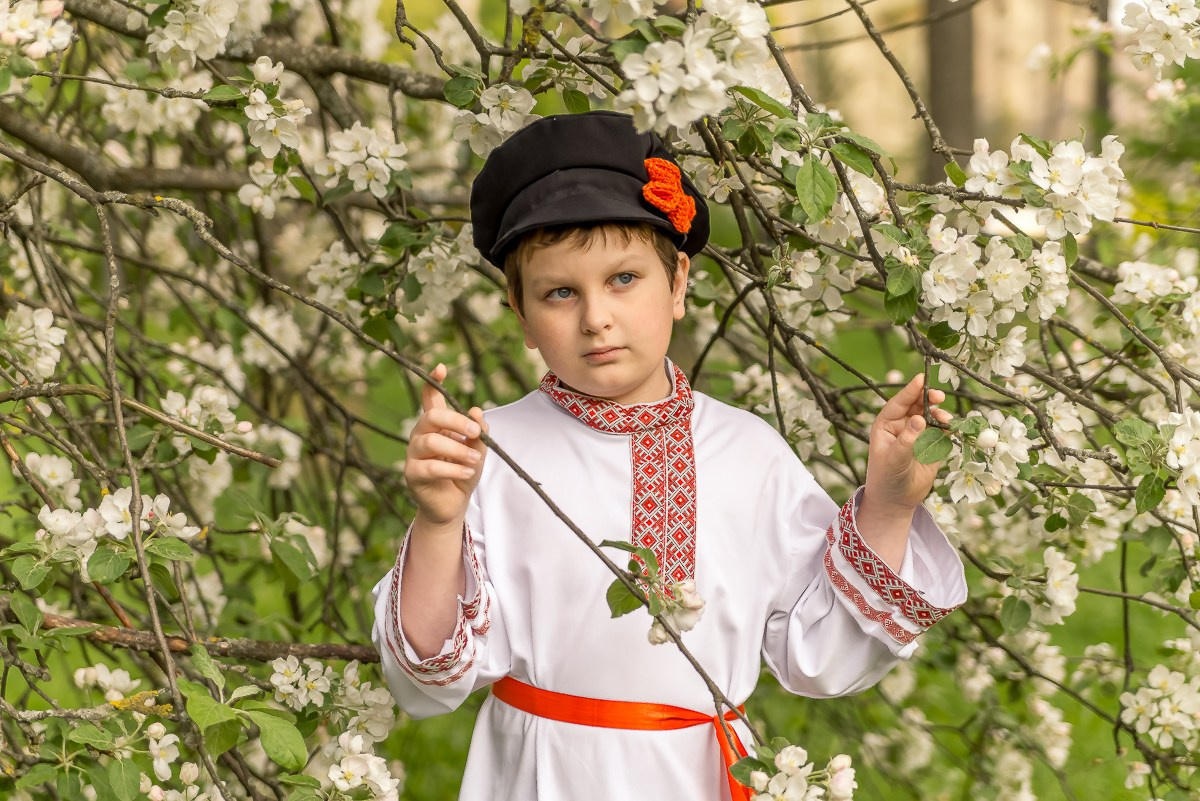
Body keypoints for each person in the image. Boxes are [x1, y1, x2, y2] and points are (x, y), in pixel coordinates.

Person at [371, 110, 967, 801]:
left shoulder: (750, 455)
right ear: (520, 311)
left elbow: (822, 659)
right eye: (560, 292)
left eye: (623, 278)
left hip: (703, 778)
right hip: (543, 775)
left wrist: (890, 507)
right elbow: (425, 681)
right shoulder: (492, 455)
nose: (596, 317)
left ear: (679, 281)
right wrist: (441, 521)